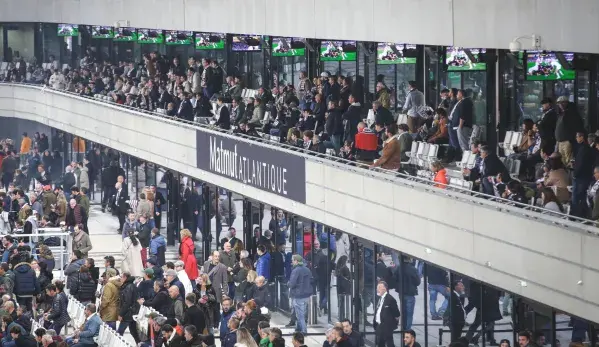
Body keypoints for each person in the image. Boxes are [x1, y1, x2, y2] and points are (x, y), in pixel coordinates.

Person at [288, 254, 312, 334]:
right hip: (306, 295)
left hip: (298, 295)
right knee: (301, 313)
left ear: (296, 261)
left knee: (300, 314)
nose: (292, 261)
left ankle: (303, 330)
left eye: (293, 260)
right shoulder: (307, 269)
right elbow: (312, 281)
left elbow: (292, 284)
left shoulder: (296, 270)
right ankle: (298, 329)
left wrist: (288, 283)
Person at [373, 281, 400, 347]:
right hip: (379, 326)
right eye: (377, 287)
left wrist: (391, 324)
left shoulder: (390, 299)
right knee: (380, 343)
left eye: (379, 287)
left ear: (384, 288)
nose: (377, 289)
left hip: (387, 326)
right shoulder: (379, 298)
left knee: (389, 343)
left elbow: (397, 314)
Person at [117, 272, 141, 343]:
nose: (120, 279)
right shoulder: (130, 285)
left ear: (125, 277)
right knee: (134, 332)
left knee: (119, 332)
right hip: (132, 312)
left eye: (121, 277)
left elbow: (127, 302)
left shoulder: (128, 287)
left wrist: (121, 314)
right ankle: (139, 344)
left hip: (128, 313)